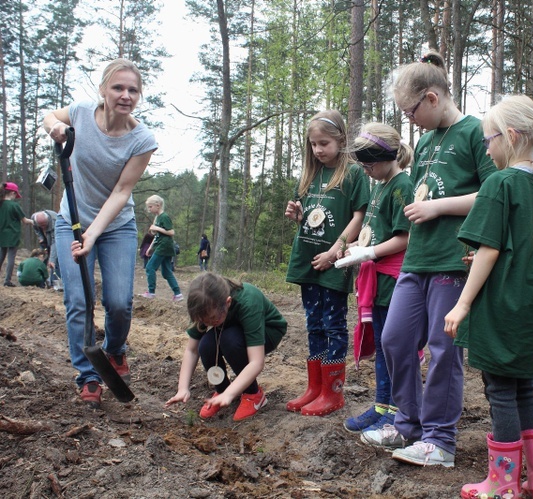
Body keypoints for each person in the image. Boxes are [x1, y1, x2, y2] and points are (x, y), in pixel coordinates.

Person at [359, 51, 496, 468]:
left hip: (453, 261)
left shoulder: (477, 132)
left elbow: (496, 192)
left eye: (411, 111)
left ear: (433, 98)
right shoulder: (426, 142)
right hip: (417, 258)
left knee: (442, 348)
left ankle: (440, 439)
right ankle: (408, 422)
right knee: (395, 339)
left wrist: (439, 208)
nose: (410, 120)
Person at [443, 95, 533, 498]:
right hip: (530, 309)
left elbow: (490, 249)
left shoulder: (500, 182)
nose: (485, 147)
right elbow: (523, 248)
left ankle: (503, 483)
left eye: (488, 140)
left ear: (509, 137)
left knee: (500, 391)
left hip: (501, 308)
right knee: (524, 386)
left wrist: (462, 303)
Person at [44, 58, 158, 408]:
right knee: (78, 300)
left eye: (133, 90)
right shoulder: (79, 112)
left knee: (119, 302)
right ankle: (88, 375)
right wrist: (54, 128)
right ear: (103, 90)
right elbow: (50, 114)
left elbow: (122, 192)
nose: (125, 95)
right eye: (118, 88)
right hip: (70, 220)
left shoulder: (142, 139)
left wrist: (93, 233)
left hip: (116, 227)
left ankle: (114, 351)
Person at [283, 110, 369, 417]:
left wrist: (335, 251)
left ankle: (333, 392)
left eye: (324, 143)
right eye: (313, 144)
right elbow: (311, 220)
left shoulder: (353, 175)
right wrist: (297, 217)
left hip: (334, 263)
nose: (318, 149)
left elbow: (359, 217)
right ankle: (315, 387)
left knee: (333, 324)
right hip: (308, 259)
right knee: (313, 323)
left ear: (341, 140)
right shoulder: (310, 174)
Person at [334, 123, 414, 434]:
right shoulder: (378, 184)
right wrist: (355, 247)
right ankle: (382, 405)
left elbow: (405, 237)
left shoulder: (402, 186)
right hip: (375, 278)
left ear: (386, 157)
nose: (367, 171)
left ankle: (397, 410)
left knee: (394, 346)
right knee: (381, 344)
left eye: (369, 164)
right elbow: (375, 232)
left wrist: (368, 254)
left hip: (394, 279)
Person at [165, 272, 287, 421]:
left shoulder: (248, 301)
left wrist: (230, 393)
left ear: (227, 302)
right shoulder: (203, 305)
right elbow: (191, 350)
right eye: (204, 321)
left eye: (213, 318)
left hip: (268, 331)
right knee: (206, 345)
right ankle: (220, 390)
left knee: (230, 341)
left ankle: (253, 395)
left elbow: (257, 362)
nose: (208, 323)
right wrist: (182, 389)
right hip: (233, 330)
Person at [141, 195, 183, 301]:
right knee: (166, 272)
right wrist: (150, 248)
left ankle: (151, 292)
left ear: (158, 205)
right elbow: (157, 236)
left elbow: (171, 232)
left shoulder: (164, 217)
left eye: (150, 207)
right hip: (161, 246)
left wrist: (157, 228)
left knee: (150, 267)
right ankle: (178, 294)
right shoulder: (158, 218)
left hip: (164, 246)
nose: (149, 209)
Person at [0, 182, 34, 287]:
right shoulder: (14, 205)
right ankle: (7, 280)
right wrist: (33, 222)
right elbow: (24, 221)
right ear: (12, 193)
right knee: (11, 258)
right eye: (16, 194)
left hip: (1, 235)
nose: (16, 197)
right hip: (13, 235)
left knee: (1, 256)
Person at [32, 210, 62, 289]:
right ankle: (40, 282)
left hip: (56, 240)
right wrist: (41, 238)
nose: (43, 227)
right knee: (42, 258)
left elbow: (54, 243)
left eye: (44, 225)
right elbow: (36, 229)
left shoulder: (55, 222)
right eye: (40, 225)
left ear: (48, 220)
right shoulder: (34, 218)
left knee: (55, 261)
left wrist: (51, 259)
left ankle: (54, 283)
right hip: (45, 240)